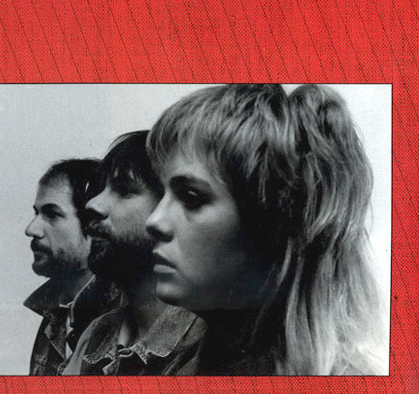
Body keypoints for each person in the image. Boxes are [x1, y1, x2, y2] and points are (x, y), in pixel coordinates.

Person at [145, 84, 386, 375]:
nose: (154, 221)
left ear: (272, 222)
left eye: (191, 198)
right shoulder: (182, 365)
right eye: (162, 194)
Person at [63, 131, 205, 376]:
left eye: (123, 189)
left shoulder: (212, 345)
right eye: (99, 189)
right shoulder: (96, 336)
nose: (92, 204)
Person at [24, 159, 120, 375]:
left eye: (52, 214)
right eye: (36, 213)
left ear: (94, 225)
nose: (31, 229)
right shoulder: (57, 313)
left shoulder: (126, 317)